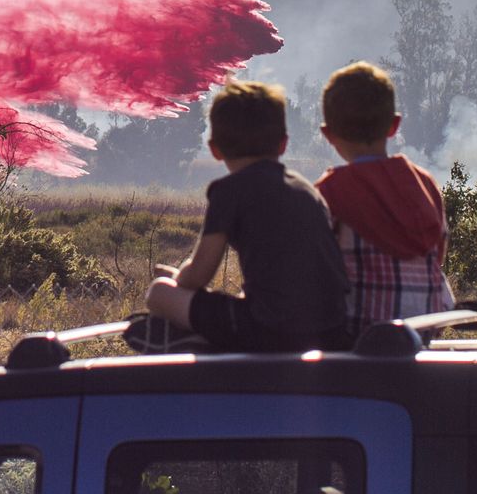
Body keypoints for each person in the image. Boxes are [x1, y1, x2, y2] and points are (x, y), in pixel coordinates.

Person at [143, 81, 355, 353]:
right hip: (332, 330)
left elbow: (198, 275)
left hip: (270, 331)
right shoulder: (307, 190)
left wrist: (176, 281)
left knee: (159, 292)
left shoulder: (228, 191)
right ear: (283, 144)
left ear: (215, 149)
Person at [312, 62, 456, 338]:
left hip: (358, 341)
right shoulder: (425, 184)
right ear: (394, 126)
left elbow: (314, 269)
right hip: (422, 336)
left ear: (327, 135)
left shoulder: (330, 191)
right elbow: (439, 253)